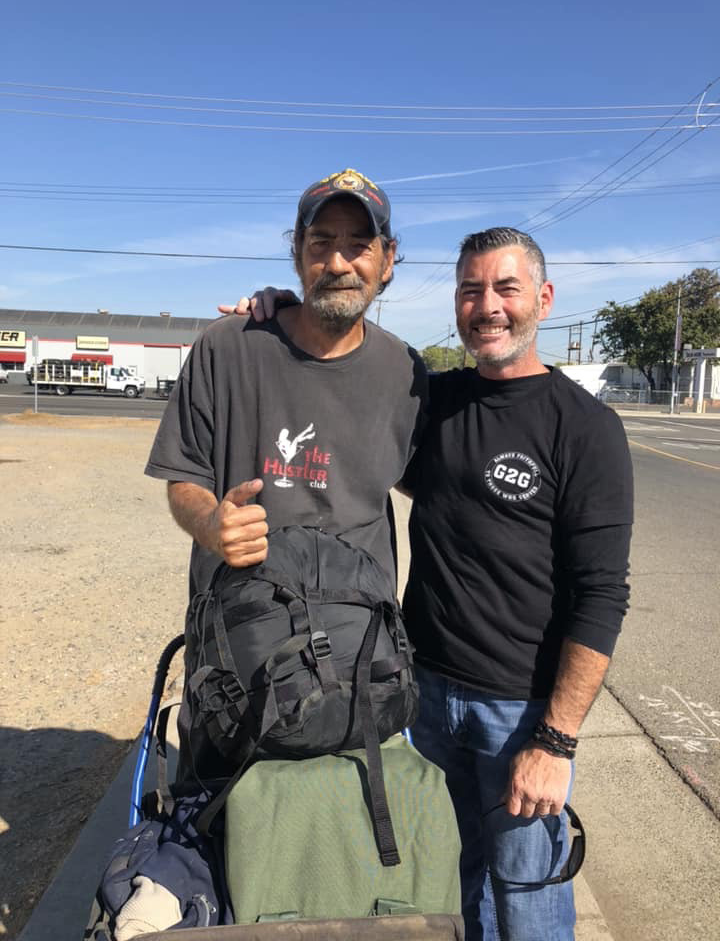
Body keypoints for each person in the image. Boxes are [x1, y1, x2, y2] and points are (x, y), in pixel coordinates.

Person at [228, 226, 633, 941]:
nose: (488, 306)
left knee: (528, 896)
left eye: (506, 288)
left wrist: (557, 741)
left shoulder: (585, 428)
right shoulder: (433, 402)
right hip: (422, 698)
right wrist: (289, 309)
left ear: (541, 298)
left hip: (520, 711)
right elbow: (346, 383)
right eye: (472, 289)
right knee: (448, 884)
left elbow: (602, 596)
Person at [145, 167, 427, 784]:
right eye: (321, 242)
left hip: (359, 660)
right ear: (296, 253)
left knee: (346, 845)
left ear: (388, 259)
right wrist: (211, 525)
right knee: (217, 848)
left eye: (359, 244)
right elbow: (183, 477)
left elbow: (439, 486)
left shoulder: (406, 374)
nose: (339, 261)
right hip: (237, 656)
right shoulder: (228, 348)